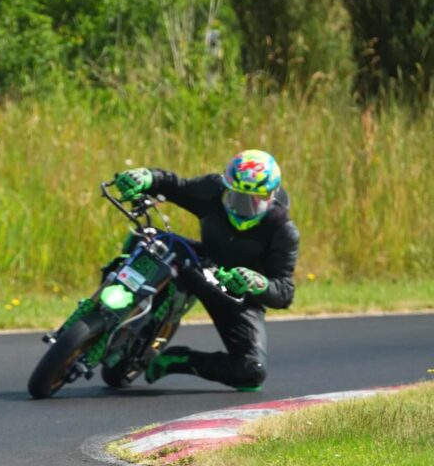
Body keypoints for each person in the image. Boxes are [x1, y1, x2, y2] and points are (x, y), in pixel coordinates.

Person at [113, 149, 299, 391]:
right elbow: (172, 185)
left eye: (254, 201)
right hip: (199, 261)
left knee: (252, 371)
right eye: (236, 197)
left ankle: (178, 359)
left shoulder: (282, 229)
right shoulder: (212, 190)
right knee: (148, 239)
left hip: (236, 292)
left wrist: (258, 283)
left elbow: (285, 291)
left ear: (271, 196)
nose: (243, 208)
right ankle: (109, 293)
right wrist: (145, 177)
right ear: (226, 187)